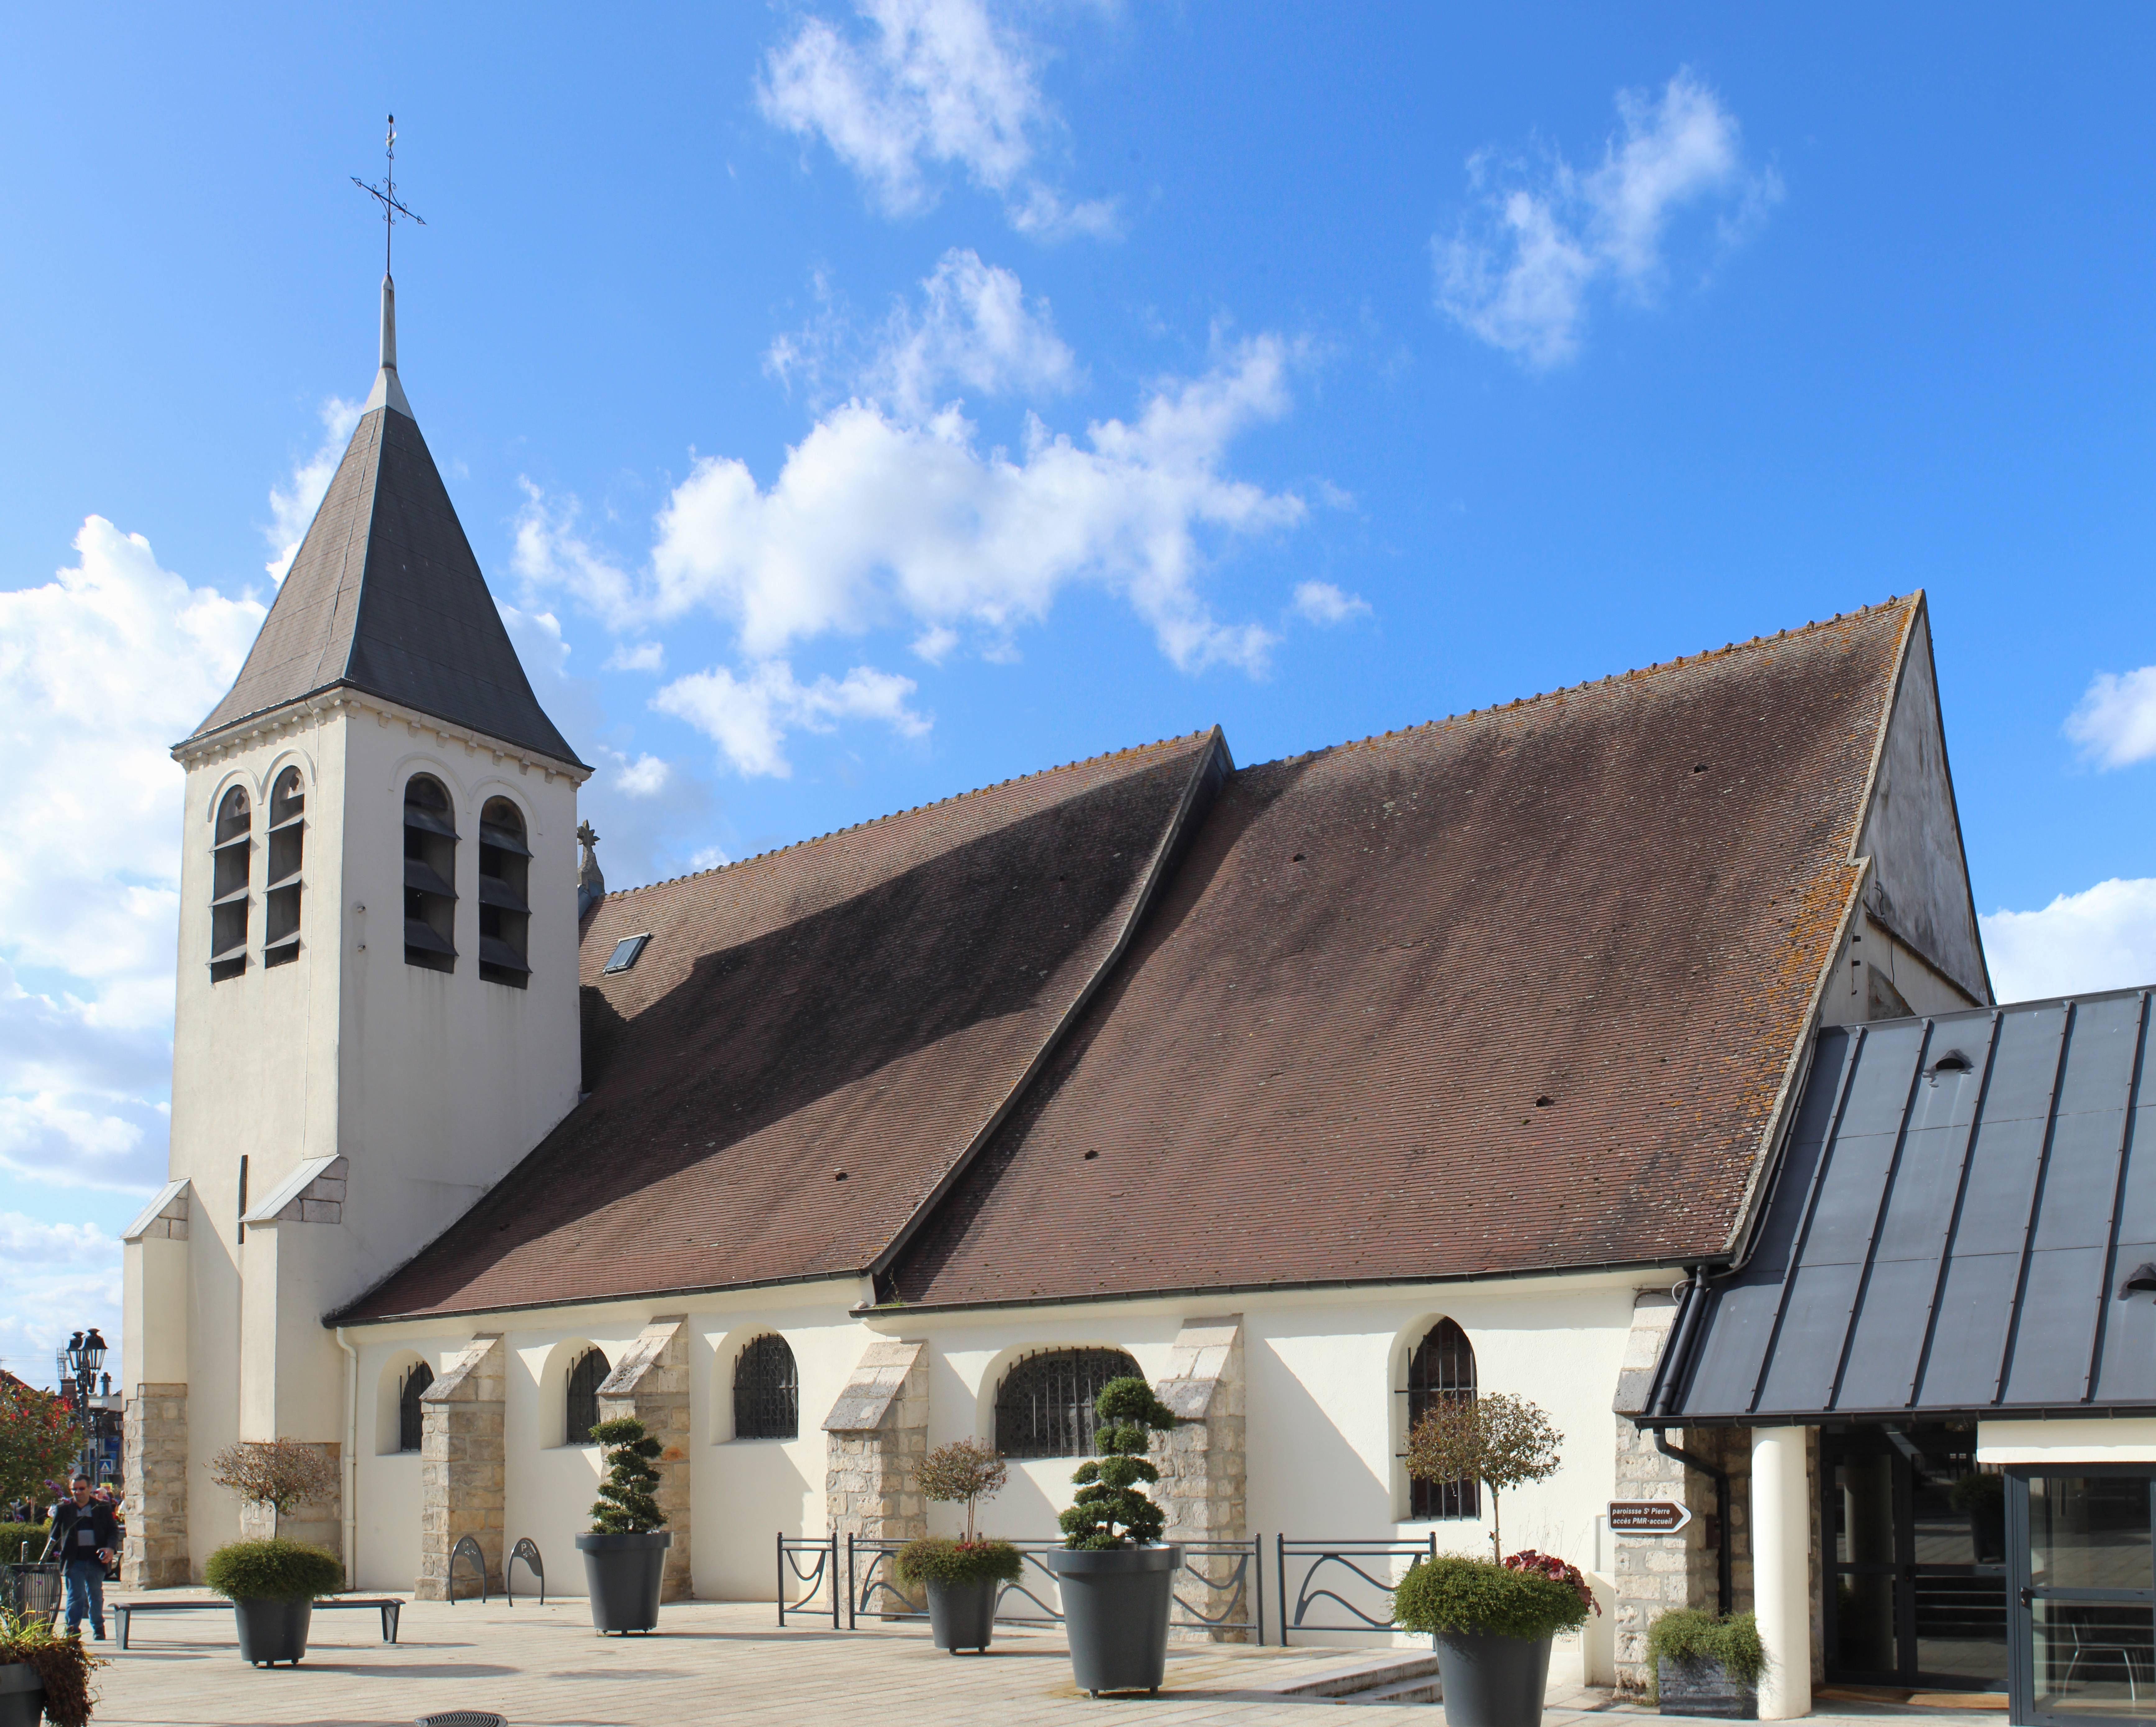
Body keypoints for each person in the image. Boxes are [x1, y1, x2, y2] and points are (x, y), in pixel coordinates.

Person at [46, 1475, 119, 1640]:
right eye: (74, 1489)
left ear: (90, 1488)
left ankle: (98, 1628)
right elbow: (54, 1536)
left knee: (96, 1595)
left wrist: (110, 1549)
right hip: (74, 1561)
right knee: (75, 1595)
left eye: (82, 1489)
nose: (78, 1492)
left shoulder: (102, 1507)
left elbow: (113, 1532)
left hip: (96, 1561)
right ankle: (72, 1630)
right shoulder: (64, 1509)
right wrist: (49, 1560)